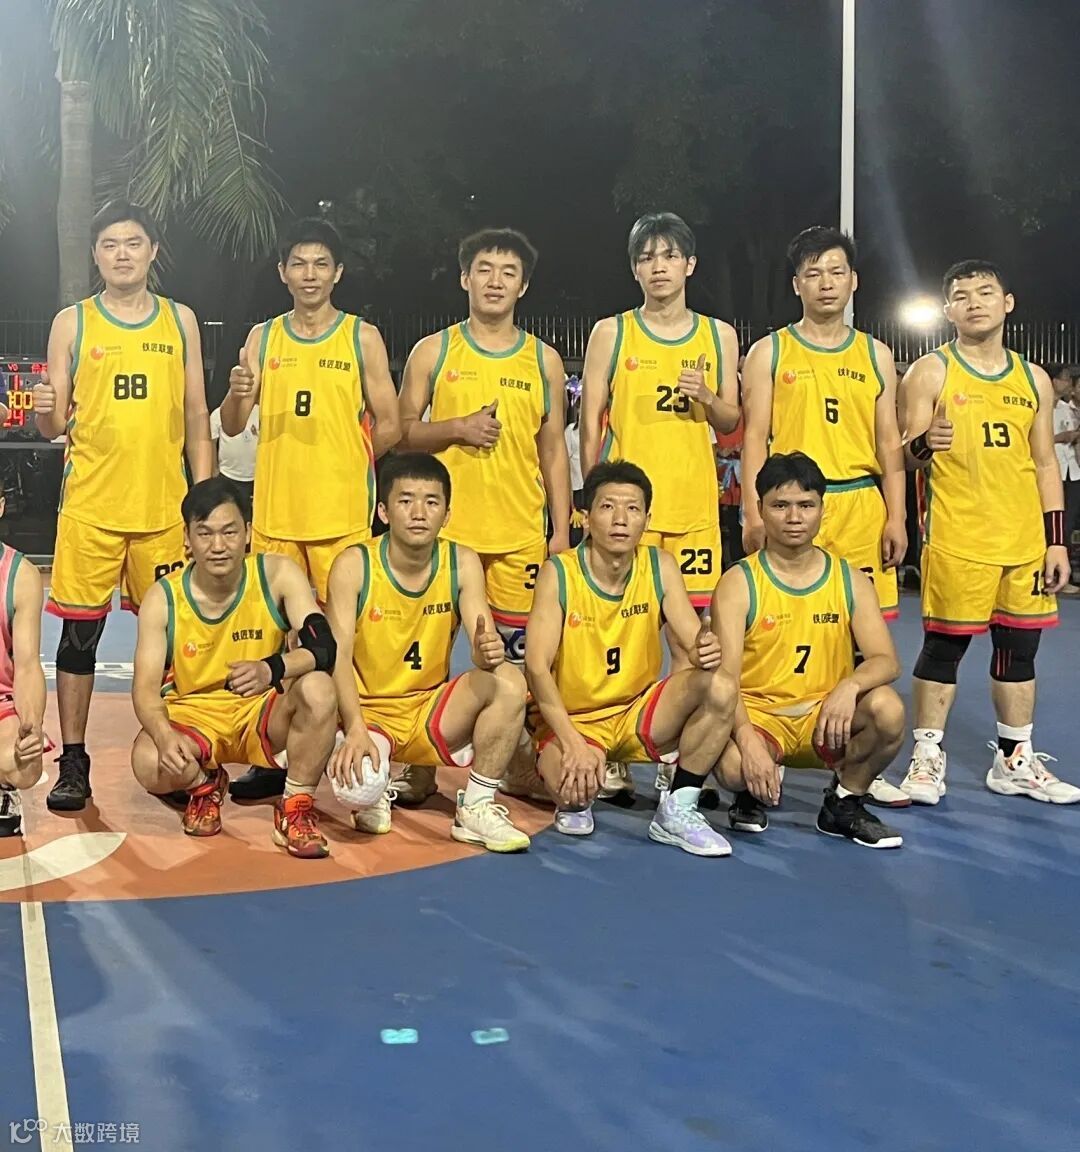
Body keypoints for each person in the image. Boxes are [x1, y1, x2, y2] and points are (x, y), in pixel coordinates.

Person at [34, 200, 212, 813]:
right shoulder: (72, 323)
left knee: (179, 642)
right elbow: (55, 424)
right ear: (96, 254)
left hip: (163, 512)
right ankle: (73, 760)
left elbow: (197, 415)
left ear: (153, 251)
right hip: (91, 509)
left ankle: (187, 753)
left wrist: (204, 500)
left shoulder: (179, 320)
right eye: (110, 244)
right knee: (79, 639)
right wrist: (43, 412)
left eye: (133, 243)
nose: (122, 254)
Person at [220, 217, 401, 801]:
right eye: (298, 263)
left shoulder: (361, 337)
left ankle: (358, 745)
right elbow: (232, 424)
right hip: (277, 518)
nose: (309, 274)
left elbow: (391, 422)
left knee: (343, 642)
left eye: (321, 263)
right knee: (275, 643)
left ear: (338, 272)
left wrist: (350, 463)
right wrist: (238, 395)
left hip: (340, 519)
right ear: (282, 272)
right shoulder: (263, 337)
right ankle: (276, 758)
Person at [395, 228, 572, 803]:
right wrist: (457, 429)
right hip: (444, 537)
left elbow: (553, 451)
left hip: (518, 535)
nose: (496, 281)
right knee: (425, 659)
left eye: (508, 272)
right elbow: (399, 434)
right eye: (485, 270)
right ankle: (417, 760)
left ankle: (516, 759)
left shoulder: (543, 360)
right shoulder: (434, 351)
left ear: (524, 286)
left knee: (519, 663)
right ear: (464, 278)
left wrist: (561, 530)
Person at [739, 226, 909, 808]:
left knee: (864, 639)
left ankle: (856, 764)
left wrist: (897, 516)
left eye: (836, 271)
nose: (826, 283)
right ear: (797, 285)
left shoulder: (876, 354)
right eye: (813, 273)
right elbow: (754, 438)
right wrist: (753, 512)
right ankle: (770, 737)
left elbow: (888, 446)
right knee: (775, 627)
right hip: (792, 503)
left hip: (860, 503)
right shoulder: (770, 352)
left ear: (853, 280)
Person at [898, 260, 1079, 805]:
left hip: (1023, 543)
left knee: (1018, 652)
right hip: (958, 538)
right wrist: (925, 442)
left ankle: (1014, 759)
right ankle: (927, 757)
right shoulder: (930, 371)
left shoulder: (1033, 378)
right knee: (943, 649)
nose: (974, 302)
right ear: (948, 310)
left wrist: (1056, 540)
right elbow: (904, 456)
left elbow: (1045, 463)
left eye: (985, 292)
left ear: (1007, 303)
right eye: (961, 295)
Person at [579, 213, 740, 801]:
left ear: (689, 265)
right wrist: (591, 498)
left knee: (691, 640)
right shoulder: (612, 332)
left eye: (669, 256)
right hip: (627, 515)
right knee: (623, 635)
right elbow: (589, 419)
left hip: (693, 509)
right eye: (647, 257)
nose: (658, 267)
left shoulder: (718, 335)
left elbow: (731, 419)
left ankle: (674, 755)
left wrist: (708, 397)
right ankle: (616, 749)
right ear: (635, 269)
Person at [524, 459, 737, 854]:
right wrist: (572, 743)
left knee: (720, 686)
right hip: (577, 719)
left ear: (647, 519)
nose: (620, 519)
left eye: (633, 509)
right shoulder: (559, 572)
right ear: (585, 517)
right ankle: (534, 763)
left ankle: (678, 807)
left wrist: (706, 648)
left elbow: (694, 642)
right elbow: (536, 668)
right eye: (607, 507)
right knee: (574, 797)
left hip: (637, 712)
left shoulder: (660, 566)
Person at [324, 453, 532, 850]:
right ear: (383, 511)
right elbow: (338, 658)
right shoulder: (354, 565)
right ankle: (378, 783)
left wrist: (486, 652)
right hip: (370, 714)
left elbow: (482, 647)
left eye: (431, 502)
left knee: (508, 680)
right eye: (406, 501)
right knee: (359, 788)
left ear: (447, 514)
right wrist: (353, 728)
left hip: (429, 711)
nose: (419, 512)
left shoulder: (462, 561)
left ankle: (476, 807)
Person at [130, 478, 339, 857]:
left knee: (319, 688)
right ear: (187, 538)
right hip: (193, 715)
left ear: (247, 533)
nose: (218, 545)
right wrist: (162, 736)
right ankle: (203, 786)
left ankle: (295, 807)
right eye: (205, 533)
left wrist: (272, 669)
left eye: (229, 532)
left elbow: (324, 647)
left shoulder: (278, 574)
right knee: (147, 761)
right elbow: (145, 690)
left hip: (262, 711)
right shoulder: (163, 597)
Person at [711, 452, 906, 847]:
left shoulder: (850, 578)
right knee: (733, 767)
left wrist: (849, 686)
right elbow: (724, 679)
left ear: (822, 509)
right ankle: (749, 793)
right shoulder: (738, 582)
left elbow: (886, 660)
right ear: (760, 509)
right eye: (780, 505)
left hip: (824, 717)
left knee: (888, 710)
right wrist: (748, 742)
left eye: (806, 505)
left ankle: (843, 802)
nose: (794, 517)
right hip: (761, 718)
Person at [0, 489, 49, 838]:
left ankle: (3, 786)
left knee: (24, 765)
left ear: (1, 506)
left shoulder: (21, 576)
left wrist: (32, 726)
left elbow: (29, 665)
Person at [1049, 364, 1080, 594]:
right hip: (1053, 472)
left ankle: (1063, 575)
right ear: (1053, 381)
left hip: (1073, 471)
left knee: (1068, 525)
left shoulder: (1066, 409)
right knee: (1055, 525)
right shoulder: (1041, 407)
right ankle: (1051, 576)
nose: (1068, 383)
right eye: (1065, 379)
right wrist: (1061, 437)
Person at [210, 401, 259, 509]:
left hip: (256, 477)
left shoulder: (261, 412)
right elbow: (211, 442)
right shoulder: (218, 413)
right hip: (227, 475)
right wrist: (214, 471)